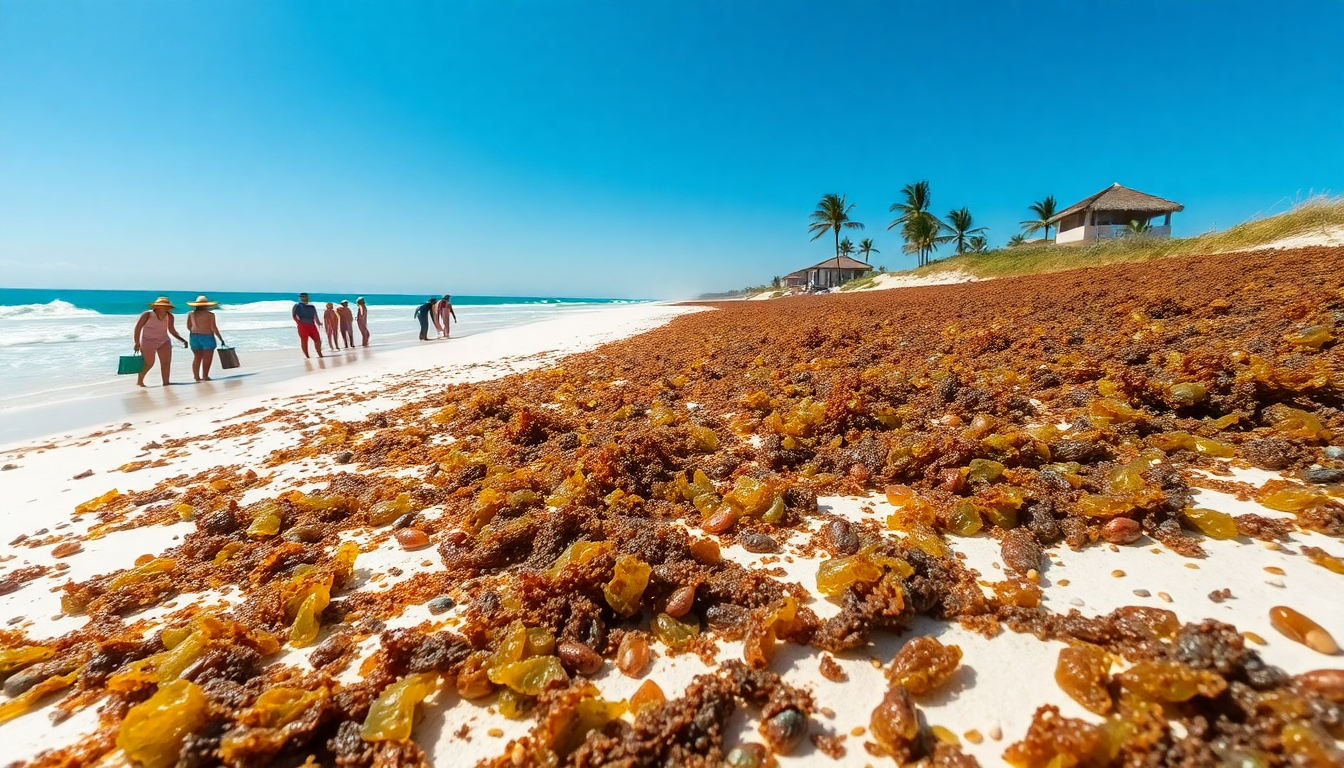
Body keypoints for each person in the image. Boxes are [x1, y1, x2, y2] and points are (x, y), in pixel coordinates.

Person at [132, 297, 188, 387]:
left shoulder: (170, 316)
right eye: (162, 306)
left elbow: (171, 330)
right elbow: (138, 328)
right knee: (149, 363)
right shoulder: (147, 314)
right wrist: (137, 343)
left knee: (166, 363)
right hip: (148, 341)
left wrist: (182, 340)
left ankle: (166, 382)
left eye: (166, 306)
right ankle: (140, 381)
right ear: (156, 306)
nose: (164, 308)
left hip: (164, 341)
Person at [185, 295, 226, 382]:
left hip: (194, 336)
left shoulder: (191, 314)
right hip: (207, 336)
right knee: (207, 358)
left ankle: (196, 377)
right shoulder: (210, 315)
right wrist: (220, 338)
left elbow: (188, 326)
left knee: (197, 357)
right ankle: (205, 376)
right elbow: (213, 327)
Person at [292, 293, 324, 358]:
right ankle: (307, 356)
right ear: (300, 298)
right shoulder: (297, 306)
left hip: (312, 325)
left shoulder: (312, 307)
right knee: (304, 341)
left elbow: (315, 316)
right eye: (302, 297)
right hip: (302, 326)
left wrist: (319, 323)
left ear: (307, 297)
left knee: (317, 340)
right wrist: (299, 323)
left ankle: (319, 353)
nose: (303, 298)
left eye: (305, 296)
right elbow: (294, 316)